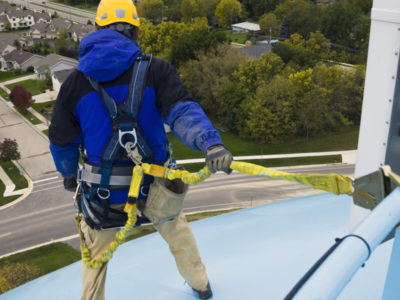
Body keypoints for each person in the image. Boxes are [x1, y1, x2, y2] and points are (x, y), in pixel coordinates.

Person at [48, 0, 232, 299]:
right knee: (179, 235)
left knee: (94, 262)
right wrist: (210, 142)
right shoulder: (156, 70)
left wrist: (69, 176)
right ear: (134, 32)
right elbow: (182, 111)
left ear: (96, 29)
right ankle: (201, 286)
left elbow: (61, 142)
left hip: (103, 196)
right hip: (157, 187)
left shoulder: (75, 84)